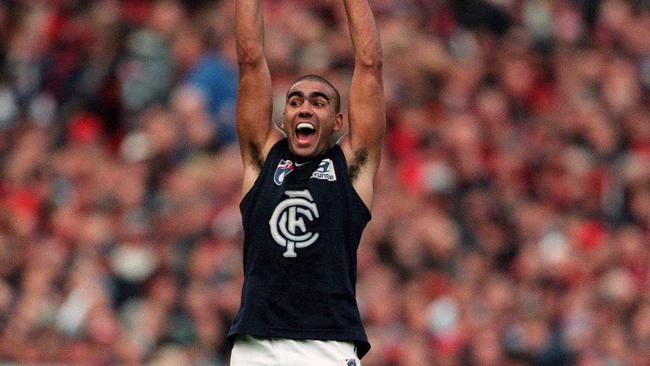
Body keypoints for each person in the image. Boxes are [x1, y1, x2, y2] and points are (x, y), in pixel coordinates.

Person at [227, 0, 385, 364]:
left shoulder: (352, 167)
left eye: (319, 102)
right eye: (295, 101)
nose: (305, 108)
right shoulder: (262, 159)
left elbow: (370, 66)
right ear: (284, 116)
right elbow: (250, 59)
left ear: (339, 121)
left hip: (326, 343)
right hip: (256, 343)